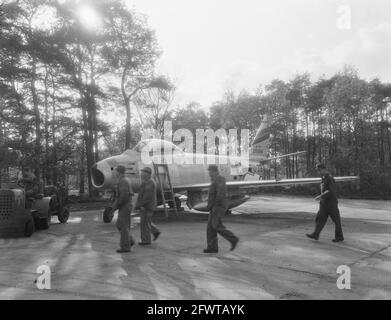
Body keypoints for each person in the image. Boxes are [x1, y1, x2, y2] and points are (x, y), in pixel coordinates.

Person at [204, 164, 239, 253]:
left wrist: (214, 206)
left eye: (210, 171)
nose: (209, 173)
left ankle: (233, 239)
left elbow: (220, 194)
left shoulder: (220, 179)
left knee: (216, 226)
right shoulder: (214, 180)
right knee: (210, 228)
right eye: (209, 171)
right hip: (213, 206)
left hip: (218, 206)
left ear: (214, 171)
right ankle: (212, 247)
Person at [306, 164, 344, 242]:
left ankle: (339, 237)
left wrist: (321, 197)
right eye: (318, 170)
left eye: (319, 170)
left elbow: (331, 191)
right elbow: (323, 190)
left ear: (324, 169)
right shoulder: (323, 178)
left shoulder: (330, 178)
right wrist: (321, 197)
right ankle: (316, 234)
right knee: (320, 218)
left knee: (336, 221)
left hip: (331, 204)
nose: (319, 172)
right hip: (324, 204)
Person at [110, 165, 135, 253]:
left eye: (115, 171)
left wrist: (114, 207)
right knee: (120, 225)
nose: (114, 172)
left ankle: (125, 247)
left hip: (125, 205)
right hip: (125, 205)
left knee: (123, 226)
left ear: (119, 172)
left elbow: (123, 197)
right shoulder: (123, 180)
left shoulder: (123, 181)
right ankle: (130, 240)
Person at [135, 167, 161, 245]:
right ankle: (155, 231)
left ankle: (146, 240)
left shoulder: (149, 183)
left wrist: (140, 205)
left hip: (147, 206)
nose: (142, 174)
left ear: (148, 174)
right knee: (147, 221)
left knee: (144, 223)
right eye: (142, 172)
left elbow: (147, 197)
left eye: (143, 172)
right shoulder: (146, 182)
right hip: (146, 205)